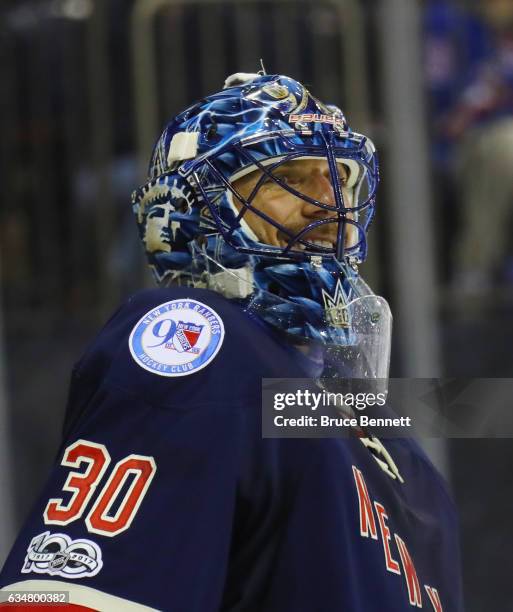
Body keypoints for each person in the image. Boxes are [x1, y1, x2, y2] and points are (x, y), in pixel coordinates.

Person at [0, 73, 463, 611]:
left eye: (338, 180)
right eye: (287, 178)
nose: (328, 205)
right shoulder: (199, 340)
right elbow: (75, 599)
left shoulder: (402, 453)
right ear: (192, 210)